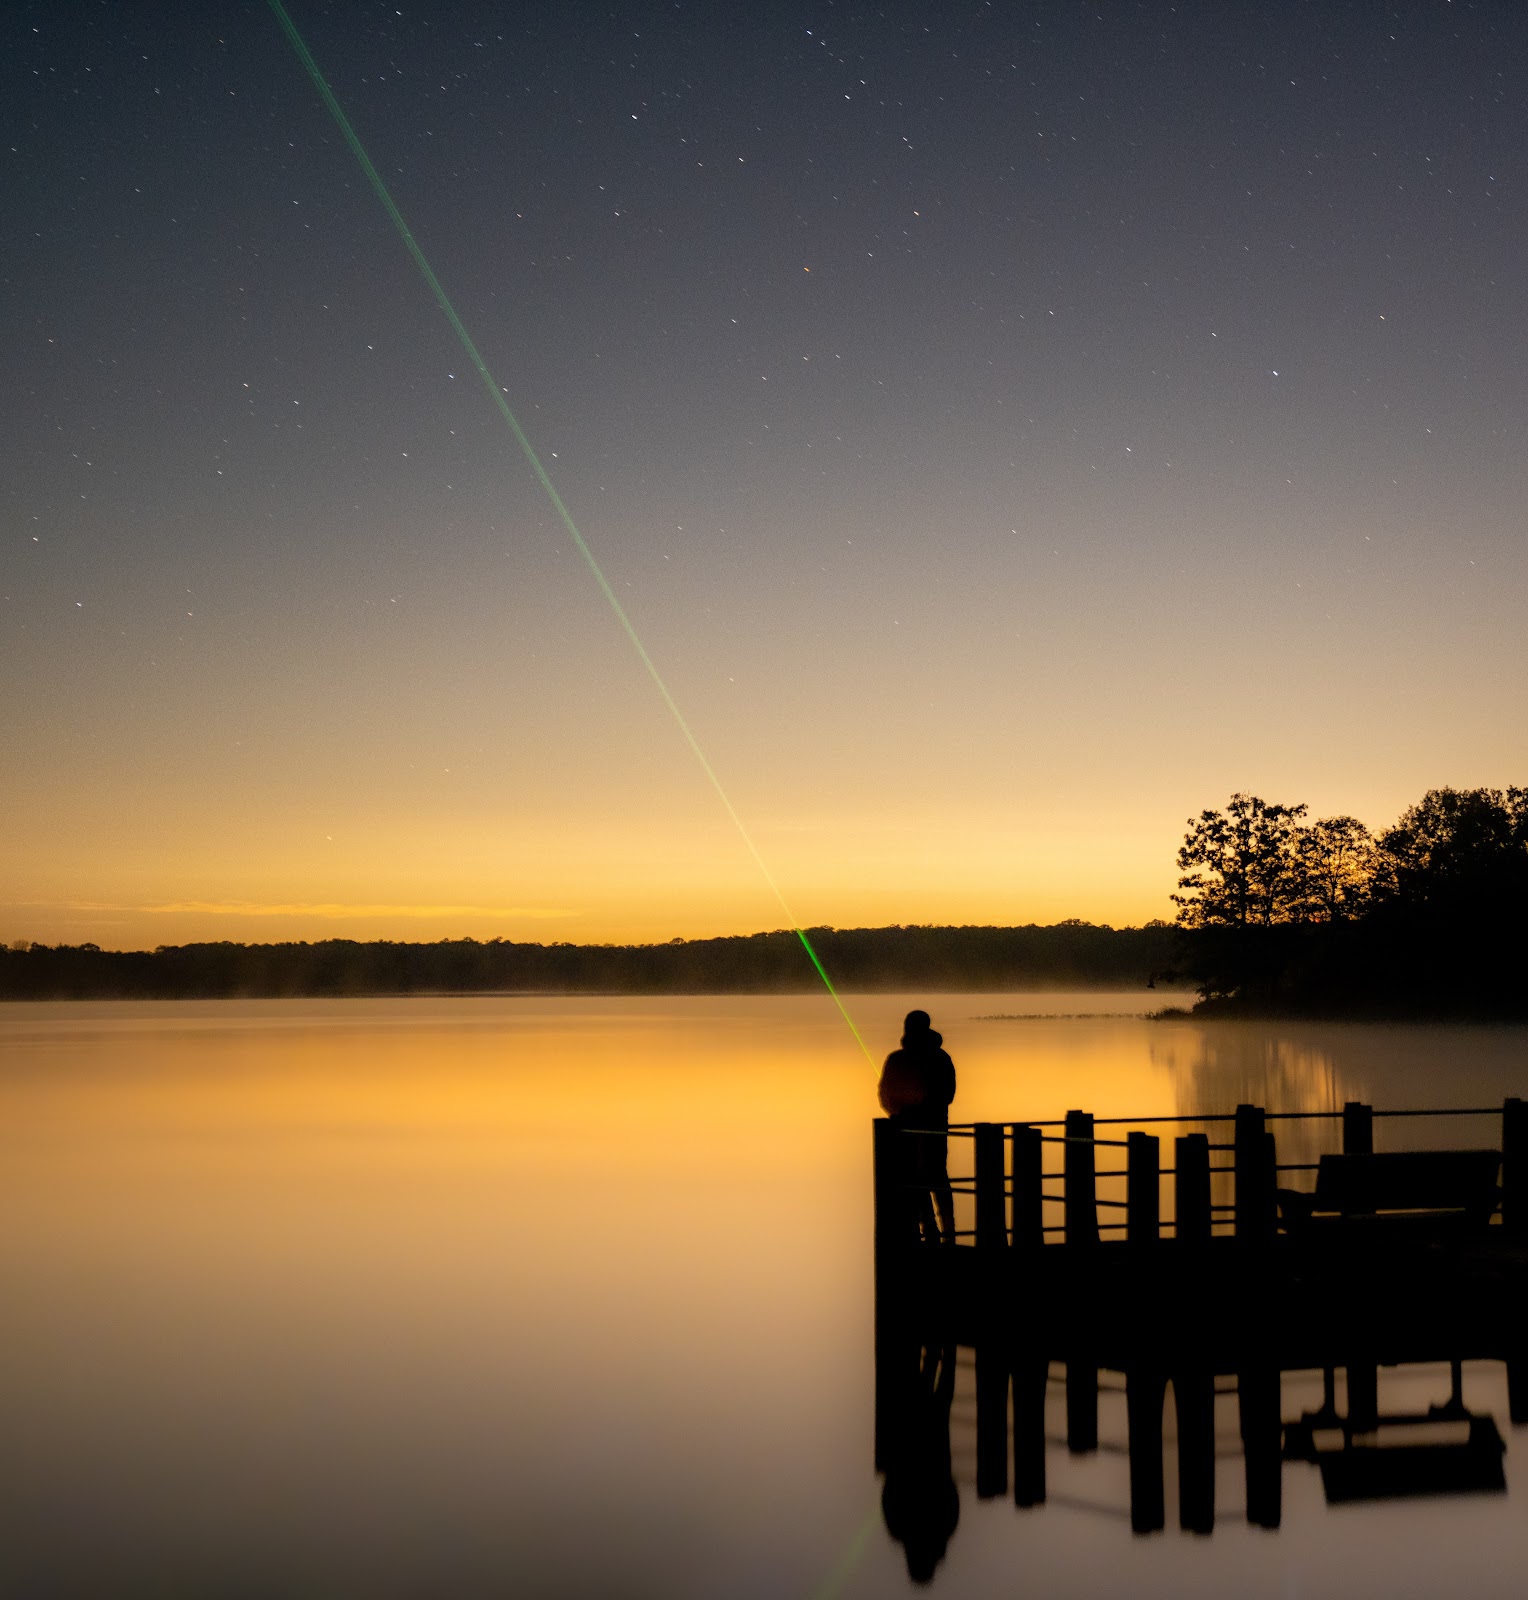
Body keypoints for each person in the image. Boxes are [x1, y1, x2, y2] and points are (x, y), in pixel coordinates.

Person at [878, 1009, 956, 1245]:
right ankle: (933, 1230)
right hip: (910, 1130)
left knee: (933, 1178)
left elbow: (946, 1093)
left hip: (929, 1129)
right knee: (920, 1180)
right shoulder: (901, 1059)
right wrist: (899, 1112)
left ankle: (945, 1232)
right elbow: (886, 1094)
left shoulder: (937, 1058)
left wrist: (913, 1109)